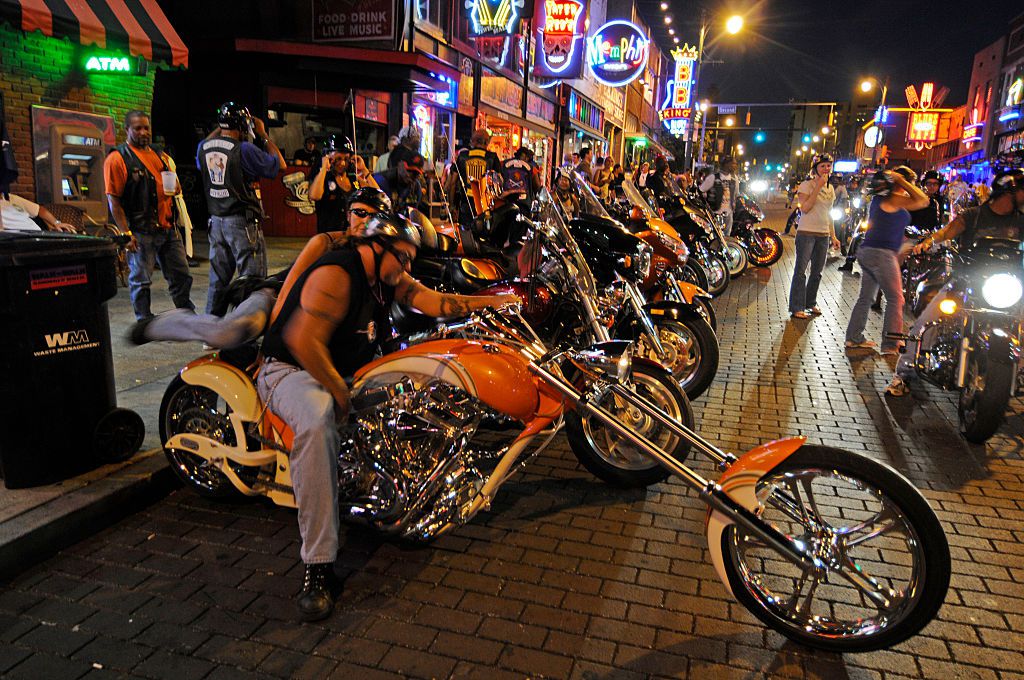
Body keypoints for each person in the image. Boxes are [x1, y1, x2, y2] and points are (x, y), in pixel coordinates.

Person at [255, 212, 519, 621]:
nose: (407, 267)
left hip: (341, 369)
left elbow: (433, 301)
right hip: (292, 370)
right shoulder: (339, 275)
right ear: (376, 248)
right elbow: (301, 341)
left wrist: (497, 304)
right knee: (318, 418)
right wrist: (341, 394)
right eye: (403, 257)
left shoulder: (385, 278)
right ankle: (319, 566)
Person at [128, 188, 391, 348]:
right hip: (275, 296)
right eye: (359, 212)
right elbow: (291, 284)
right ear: (348, 214)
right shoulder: (326, 242)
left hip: (309, 311)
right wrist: (272, 343)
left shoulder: (378, 255)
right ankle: (164, 323)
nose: (364, 220)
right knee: (231, 332)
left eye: (373, 215)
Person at [887, 169, 1024, 396]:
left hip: (1006, 287)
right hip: (967, 281)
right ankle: (903, 374)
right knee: (926, 322)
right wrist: (928, 242)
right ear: (1008, 191)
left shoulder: (1021, 221)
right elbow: (947, 232)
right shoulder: (974, 215)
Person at [104, 110, 194, 321]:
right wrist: (126, 233)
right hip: (141, 230)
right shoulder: (117, 158)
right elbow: (113, 201)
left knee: (181, 275)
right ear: (127, 130)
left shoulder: (159, 154)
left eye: (146, 127)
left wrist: (175, 186)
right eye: (138, 128)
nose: (144, 132)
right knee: (141, 279)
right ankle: (143, 320)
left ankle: (187, 314)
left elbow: (172, 185)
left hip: (168, 228)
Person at [197, 102, 285, 315]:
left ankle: (210, 330)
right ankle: (246, 330)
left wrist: (221, 126)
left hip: (216, 222)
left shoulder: (204, 147)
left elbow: (209, 145)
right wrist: (262, 134)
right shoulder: (244, 149)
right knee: (252, 280)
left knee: (218, 278)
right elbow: (279, 165)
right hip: (241, 223)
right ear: (244, 125)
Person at [844, 169, 929, 353]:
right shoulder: (892, 197)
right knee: (896, 298)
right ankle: (891, 343)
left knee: (866, 297)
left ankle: (853, 337)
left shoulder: (881, 199)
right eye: (910, 182)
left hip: (870, 251)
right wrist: (902, 181)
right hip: (881, 254)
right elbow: (923, 200)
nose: (912, 186)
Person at [788, 154, 840, 319]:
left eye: (828, 166)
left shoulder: (830, 189)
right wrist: (818, 186)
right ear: (815, 169)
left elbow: (829, 213)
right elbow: (805, 208)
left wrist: (834, 235)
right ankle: (796, 306)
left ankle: (810, 302)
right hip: (806, 233)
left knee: (817, 272)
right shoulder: (806, 185)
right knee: (801, 271)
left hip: (823, 234)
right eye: (822, 166)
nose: (826, 169)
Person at [308, 135, 375, 233]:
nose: (342, 163)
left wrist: (364, 170)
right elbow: (314, 196)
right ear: (328, 156)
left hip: (351, 237)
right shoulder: (323, 178)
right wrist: (323, 169)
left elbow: (376, 193)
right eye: (338, 158)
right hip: (329, 237)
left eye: (346, 159)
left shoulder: (353, 179)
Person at [445, 129, 501, 228]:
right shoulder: (492, 158)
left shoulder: (462, 156)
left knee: (466, 235)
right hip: (485, 206)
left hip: (466, 204)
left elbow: (452, 183)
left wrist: (452, 205)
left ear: (473, 141)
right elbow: (498, 184)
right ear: (486, 142)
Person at [698, 156, 738, 235]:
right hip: (716, 214)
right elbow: (701, 190)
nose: (735, 166)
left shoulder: (735, 179)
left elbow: (735, 194)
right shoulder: (713, 177)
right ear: (726, 164)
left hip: (728, 215)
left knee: (726, 237)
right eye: (733, 163)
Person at [0, 192, 77, 232]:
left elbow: (40, 210)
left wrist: (56, 223)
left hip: (40, 235)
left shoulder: (10, 197)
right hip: (19, 242)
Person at [500, 146, 542, 212]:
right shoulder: (532, 169)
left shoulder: (502, 164)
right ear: (526, 157)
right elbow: (537, 187)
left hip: (504, 203)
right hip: (524, 205)